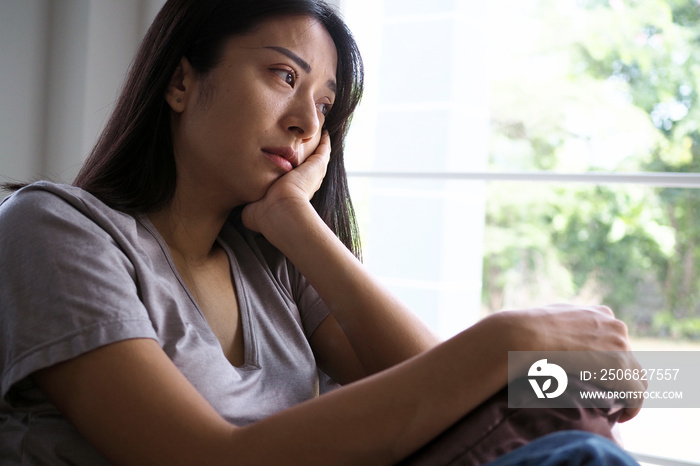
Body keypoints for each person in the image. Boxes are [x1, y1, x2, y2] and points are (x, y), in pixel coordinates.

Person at [0, 0, 642, 464]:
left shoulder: (273, 263)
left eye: (327, 104)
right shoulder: (56, 230)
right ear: (180, 81)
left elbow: (461, 399)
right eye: (284, 76)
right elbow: (204, 457)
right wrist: (512, 334)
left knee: (573, 434)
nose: (308, 121)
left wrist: (295, 224)